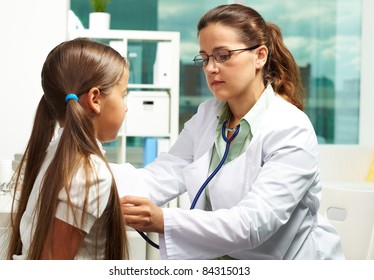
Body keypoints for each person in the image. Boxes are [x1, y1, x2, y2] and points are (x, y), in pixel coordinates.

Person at [118, 4, 344, 259]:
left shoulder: (291, 129)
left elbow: (252, 224)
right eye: (204, 58)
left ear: (260, 56)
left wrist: (163, 220)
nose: (210, 68)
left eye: (223, 55)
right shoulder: (207, 115)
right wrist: (99, 186)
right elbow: (164, 173)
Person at [7, 38, 129, 260]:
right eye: (123, 95)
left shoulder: (54, 153)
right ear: (95, 99)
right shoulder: (90, 171)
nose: (126, 107)